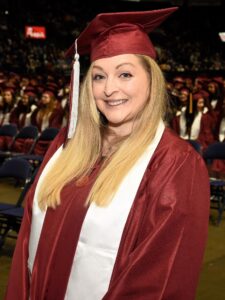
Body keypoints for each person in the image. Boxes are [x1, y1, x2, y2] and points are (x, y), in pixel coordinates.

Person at [5, 7, 210, 300]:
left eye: (125, 73)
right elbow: (27, 240)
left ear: (152, 80)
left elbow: (159, 282)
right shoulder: (68, 145)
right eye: (98, 77)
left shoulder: (175, 164)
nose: (109, 88)